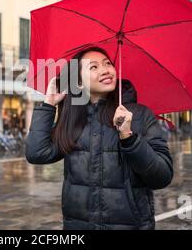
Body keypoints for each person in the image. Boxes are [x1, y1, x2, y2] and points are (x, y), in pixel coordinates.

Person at [26, 47, 173, 230]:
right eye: (93, 67)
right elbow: (36, 153)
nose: (105, 70)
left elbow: (162, 176)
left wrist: (129, 137)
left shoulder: (140, 115)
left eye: (108, 64)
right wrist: (49, 104)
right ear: (78, 82)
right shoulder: (73, 121)